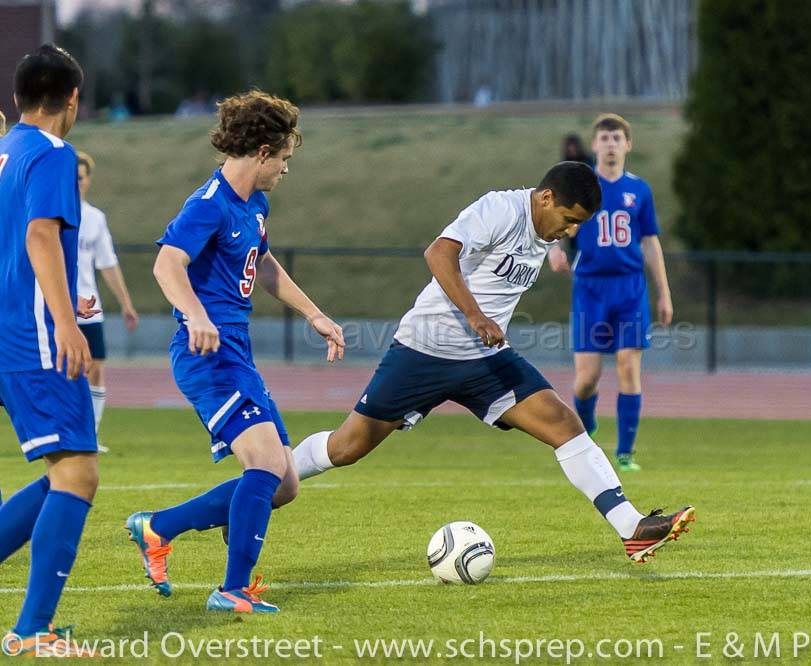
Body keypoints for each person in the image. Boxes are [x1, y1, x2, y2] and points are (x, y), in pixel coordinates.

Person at [293, 161, 694, 563]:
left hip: (484, 359)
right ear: (546, 198)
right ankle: (264, 483)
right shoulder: (500, 209)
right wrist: (475, 315)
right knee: (346, 448)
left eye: (578, 226)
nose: (571, 232)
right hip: (425, 352)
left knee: (564, 423)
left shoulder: (546, 230)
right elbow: (438, 253)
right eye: (569, 220)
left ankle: (632, 527)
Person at [124, 90, 345, 613]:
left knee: (284, 482)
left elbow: (262, 265)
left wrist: (312, 312)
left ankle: (159, 527)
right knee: (266, 465)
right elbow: (167, 264)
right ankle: (232, 590)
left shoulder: (255, 204)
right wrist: (196, 315)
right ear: (263, 151)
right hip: (207, 357)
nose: (286, 170)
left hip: (237, 356)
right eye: (285, 159)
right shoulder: (208, 205)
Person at [0, 44, 99, 657]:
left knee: (64, 472)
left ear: (16, 98)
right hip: (31, 338)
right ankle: (33, 632)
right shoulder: (55, 152)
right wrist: (66, 324)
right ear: (73, 99)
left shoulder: (6, 154)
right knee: (77, 472)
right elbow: (39, 236)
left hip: (9, 325)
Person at [548, 114, 674, 472]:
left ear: (628, 144)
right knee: (586, 379)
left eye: (617, 138)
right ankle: (586, 429)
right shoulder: (582, 187)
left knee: (627, 366)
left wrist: (664, 293)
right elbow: (556, 224)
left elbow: (650, 242)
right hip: (589, 288)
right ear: (595, 145)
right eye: (604, 138)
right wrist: (554, 249)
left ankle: (624, 453)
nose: (611, 144)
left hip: (630, 288)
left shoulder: (640, 190)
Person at [76, 151, 140, 453]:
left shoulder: (94, 219)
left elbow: (108, 264)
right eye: (71, 177)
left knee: (96, 368)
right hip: (52, 306)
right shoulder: (47, 214)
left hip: (88, 307)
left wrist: (126, 303)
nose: (76, 183)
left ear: (88, 180)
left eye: (80, 178)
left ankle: (90, 435)